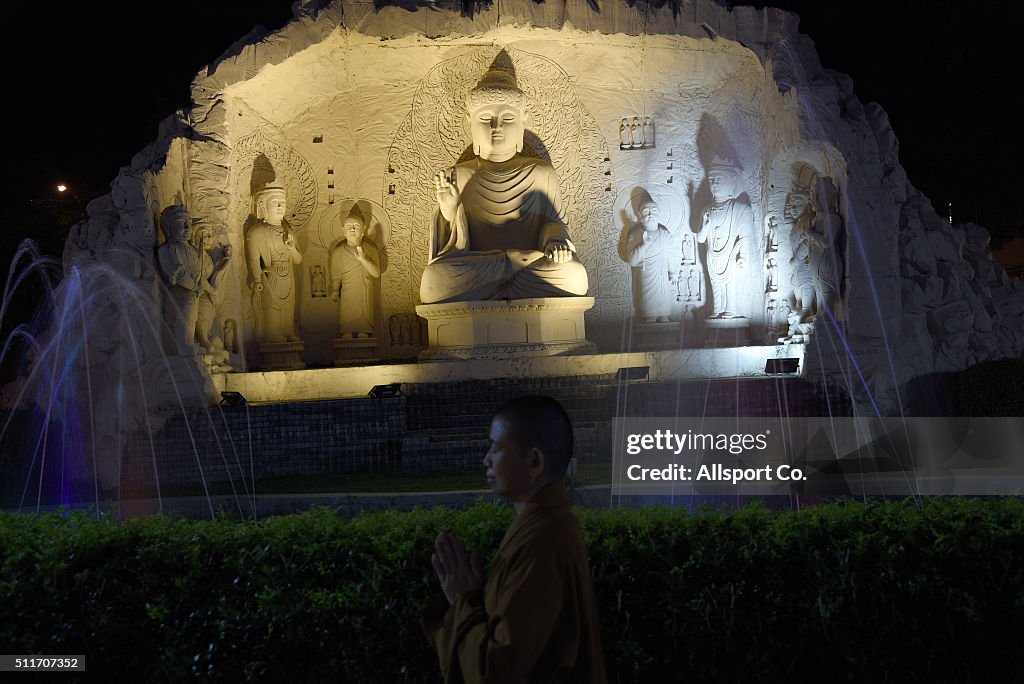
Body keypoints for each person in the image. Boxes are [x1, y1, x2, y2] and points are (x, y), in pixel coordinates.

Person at [423, 396, 606, 683]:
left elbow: (496, 671)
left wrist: (463, 602)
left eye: (496, 449)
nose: (486, 459)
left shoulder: (542, 543)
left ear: (534, 461)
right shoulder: (542, 528)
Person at [419, 53, 589, 304]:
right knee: (434, 281)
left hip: (529, 264)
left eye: (507, 118)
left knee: (574, 277)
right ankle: (508, 266)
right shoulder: (460, 174)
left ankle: (508, 271)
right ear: (470, 123)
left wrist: (557, 242)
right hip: (491, 267)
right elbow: (452, 246)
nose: (496, 126)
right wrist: (449, 210)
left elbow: (554, 223)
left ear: (523, 122)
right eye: (485, 119)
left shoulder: (541, 172)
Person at [694, 157, 756, 318]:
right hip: (712, 255)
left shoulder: (740, 209)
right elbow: (700, 239)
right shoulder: (707, 210)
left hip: (732, 254)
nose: (714, 184)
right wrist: (705, 227)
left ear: (732, 181)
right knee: (715, 284)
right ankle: (717, 309)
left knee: (731, 284)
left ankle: (732, 309)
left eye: (719, 180)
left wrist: (742, 256)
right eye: (711, 180)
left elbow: (746, 237)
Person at [245, 185, 303, 343]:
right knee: (272, 306)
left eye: (282, 203)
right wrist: (257, 280)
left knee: (288, 308)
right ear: (263, 206)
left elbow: (298, 260)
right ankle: (273, 333)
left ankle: (288, 330)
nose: (280, 206)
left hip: (288, 276)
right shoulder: (256, 232)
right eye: (275, 202)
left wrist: (291, 249)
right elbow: (254, 261)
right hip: (270, 277)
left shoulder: (289, 232)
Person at [624, 198, 683, 322]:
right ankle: (649, 316)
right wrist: (643, 245)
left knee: (664, 297)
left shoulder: (665, 234)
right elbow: (632, 261)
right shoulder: (635, 234)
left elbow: (671, 255)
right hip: (645, 275)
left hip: (661, 274)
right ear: (640, 215)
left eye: (654, 211)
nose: (651, 215)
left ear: (659, 214)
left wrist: (672, 272)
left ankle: (664, 315)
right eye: (646, 212)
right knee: (647, 304)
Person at [329, 206, 381, 338]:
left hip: (364, 292)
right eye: (349, 226)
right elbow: (336, 275)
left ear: (363, 230)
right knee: (347, 321)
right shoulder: (338, 252)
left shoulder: (370, 250)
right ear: (343, 230)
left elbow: (376, 273)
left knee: (364, 326)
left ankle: (364, 329)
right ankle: (347, 330)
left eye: (356, 226)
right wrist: (335, 290)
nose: (352, 229)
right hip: (347, 293)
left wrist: (364, 259)